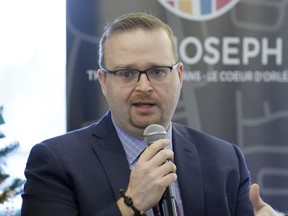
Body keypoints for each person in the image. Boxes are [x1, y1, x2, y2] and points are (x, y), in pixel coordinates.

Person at [21, 12, 282, 216]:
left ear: (179, 76)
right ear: (103, 81)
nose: (144, 87)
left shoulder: (225, 160)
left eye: (157, 71)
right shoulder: (55, 163)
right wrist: (130, 205)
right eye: (126, 74)